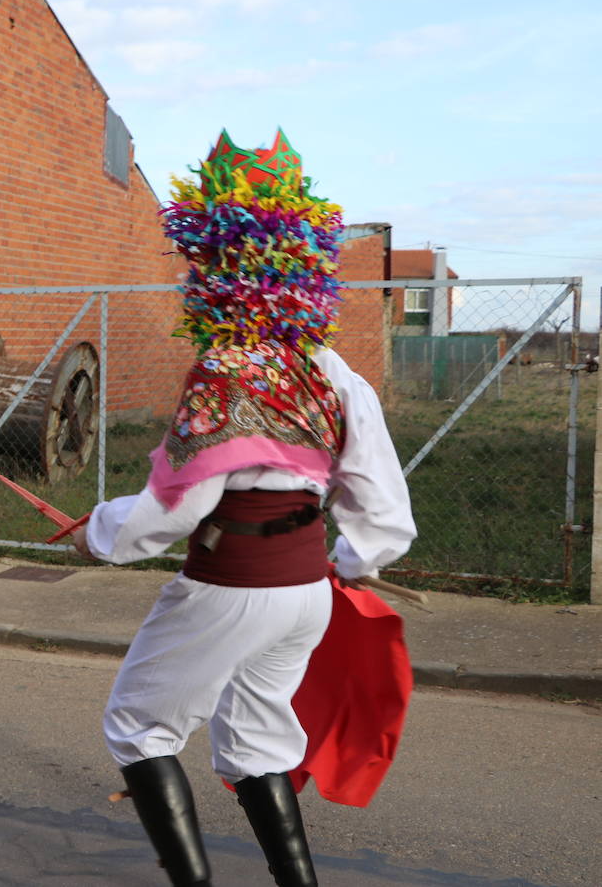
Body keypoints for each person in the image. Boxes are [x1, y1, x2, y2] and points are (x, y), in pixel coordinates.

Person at [70, 130, 415, 886]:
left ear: (216, 264)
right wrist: (348, 564)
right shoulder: (330, 372)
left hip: (235, 585)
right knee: (259, 741)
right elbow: (385, 508)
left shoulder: (223, 371)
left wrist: (98, 534)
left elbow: (176, 508)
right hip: (306, 593)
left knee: (139, 726)